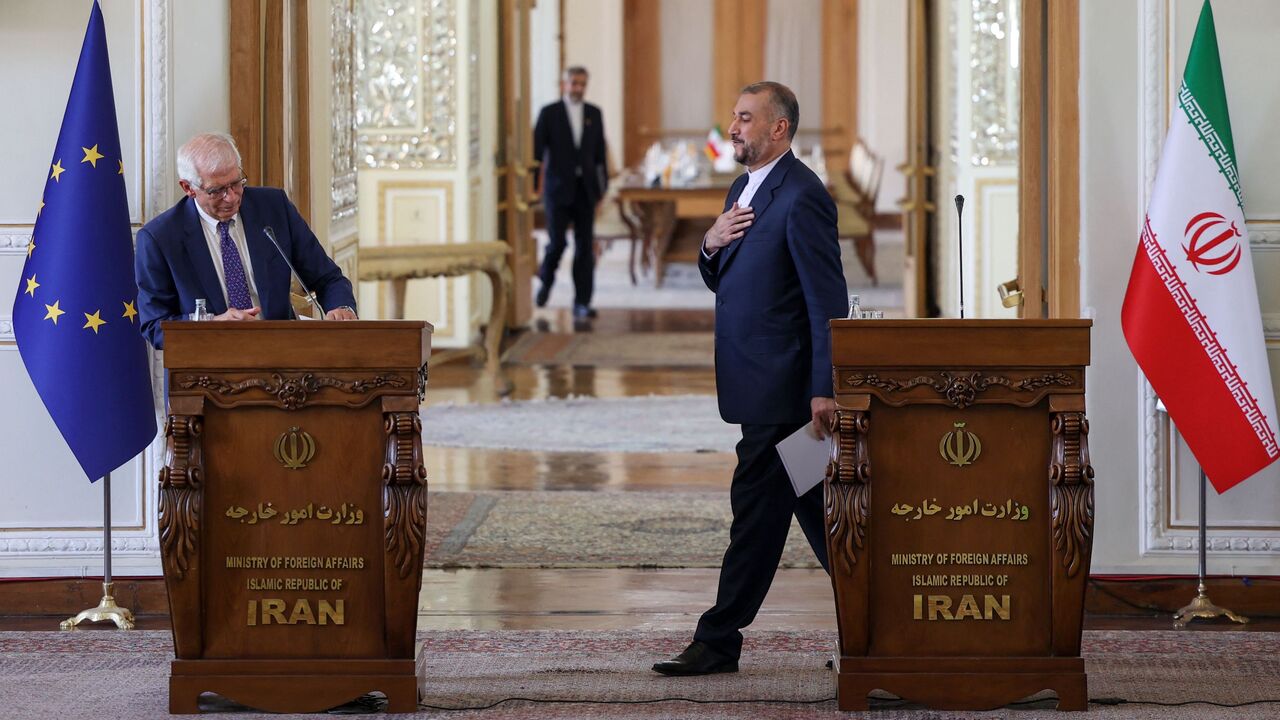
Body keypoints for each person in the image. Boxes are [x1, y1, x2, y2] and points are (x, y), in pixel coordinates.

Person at [652, 82, 848, 676]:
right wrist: (708, 246)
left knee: (756, 514)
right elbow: (728, 274)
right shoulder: (744, 187)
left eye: (743, 118)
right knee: (822, 514)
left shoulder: (803, 195)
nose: (732, 128)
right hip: (758, 382)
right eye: (734, 117)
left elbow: (826, 301)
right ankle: (890, 614)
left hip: (785, 391)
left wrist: (824, 387)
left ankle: (717, 639)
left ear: (778, 128)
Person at [135, 132, 357, 349]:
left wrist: (341, 307)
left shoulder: (273, 207)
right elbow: (155, 326)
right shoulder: (160, 238)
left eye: (236, 183)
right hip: (209, 367)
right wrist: (213, 324)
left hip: (281, 355)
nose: (231, 197)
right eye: (217, 190)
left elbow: (327, 278)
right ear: (188, 188)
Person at [533, 66, 608, 319]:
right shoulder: (549, 113)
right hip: (557, 190)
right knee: (557, 243)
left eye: (582, 84)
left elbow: (600, 156)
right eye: (573, 83)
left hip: (585, 190)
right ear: (563, 84)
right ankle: (545, 282)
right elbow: (536, 154)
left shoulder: (594, 113)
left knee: (584, 247)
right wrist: (534, 187)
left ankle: (582, 302)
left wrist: (602, 189)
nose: (578, 88)